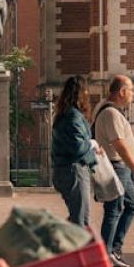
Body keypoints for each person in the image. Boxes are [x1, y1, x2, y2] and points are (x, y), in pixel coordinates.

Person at [93, 75, 134, 267]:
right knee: (114, 210)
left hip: (119, 167)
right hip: (116, 166)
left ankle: (113, 249)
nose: (133, 94)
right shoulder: (111, 114)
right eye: (131, 90)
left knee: (132, 205)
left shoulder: (108, 109)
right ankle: (107, 254)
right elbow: (119, 145)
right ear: (121, 92)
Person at [50, 75, 99, 227]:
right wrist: (92, 144)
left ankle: (64, 244)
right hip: (74, 171)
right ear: (81, 93)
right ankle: (66, 246)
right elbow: (77, 147)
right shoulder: (74, 117)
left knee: (77, 217)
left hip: (65, 170)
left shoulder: (64, 115)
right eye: (86, 91)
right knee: (81, 219)